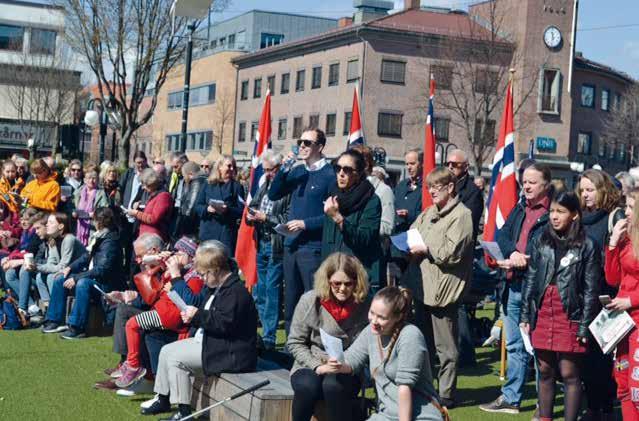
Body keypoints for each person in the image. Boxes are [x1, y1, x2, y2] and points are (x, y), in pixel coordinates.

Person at [141, 241, 258, 420]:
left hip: (231, 351)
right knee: (166, 350)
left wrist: (196, 316)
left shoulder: (236, 292)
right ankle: (163, 398)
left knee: (176, 358)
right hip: (213, 341)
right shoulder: (215, 287)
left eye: (203, 274)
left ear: (216, 270)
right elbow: (204, 311)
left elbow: (224, 323)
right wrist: (193, 315)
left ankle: (184, 412)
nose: (201, 278)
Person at [520, 191, 600, 421]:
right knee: (544, 370)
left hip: (571, 312)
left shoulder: (588, 245)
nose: (554, 216)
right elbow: (532, 279)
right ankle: (545, 418)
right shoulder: (541, 240)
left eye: (561, 212)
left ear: (574, 215)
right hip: (544, 308)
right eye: (552, 211)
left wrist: (584, 326)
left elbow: (590, 290)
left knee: (569, 373)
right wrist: (526, 314)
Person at [480, 163, 553, 414]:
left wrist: (527, 257)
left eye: (532, 181)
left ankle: (543, 404)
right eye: (524, 181)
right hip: (512, 284)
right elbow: (501, 235)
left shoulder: (553, 212)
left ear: (546, 185)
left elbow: (552, 248)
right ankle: (512, 397)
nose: (526, 186)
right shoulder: (520, 206)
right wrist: (512, 252)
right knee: (513, 345)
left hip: (537, 289)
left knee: (538, 349)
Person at [317, 286, 445, 421]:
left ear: (398, 317)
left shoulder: (410, 335)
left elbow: (404, 388)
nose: (374, 320)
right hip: (385, 415)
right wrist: (335, 364)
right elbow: (351, 360)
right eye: (372, 313)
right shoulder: (370, 332)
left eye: (381, 317)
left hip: (420, 416)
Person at [405, 167, 474, 407]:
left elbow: (451, 253)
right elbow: (412, 232)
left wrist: (425, 248)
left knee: (446, 348)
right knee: (423, 343)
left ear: (450, 187)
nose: (431, 191)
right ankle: (426, 388)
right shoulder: (428, 212)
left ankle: (446, 394)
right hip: (423, 286)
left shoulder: (462, 215)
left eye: (436, 186)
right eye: (429, 186)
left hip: (445, 290)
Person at [287, 253, 370, 421]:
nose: (342, 289)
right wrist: (317, 366)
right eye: (336, 283)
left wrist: (344, 363)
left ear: (357, 282)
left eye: (348, 284)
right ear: (327, 281)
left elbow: (366, 345)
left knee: (333, 386)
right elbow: (295, 342)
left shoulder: (365, 306)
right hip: (312, 360)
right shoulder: (310, 301)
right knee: (307, 386)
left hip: (348, 364)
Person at [268, 127, 336, 333]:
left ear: (320, 147)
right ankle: (291, 347)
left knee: (312, 298)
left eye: (308, 143)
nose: (302, 146)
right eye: (300, 142)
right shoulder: (298, 172)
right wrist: (285, 168)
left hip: (312, 247)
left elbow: (332, 215)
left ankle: (311, 345)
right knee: (291, 300)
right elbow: (273, 194)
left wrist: (306, 224)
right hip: (292, 244)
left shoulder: (329, 175)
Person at [115, 237, 202, 389]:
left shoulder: (194, 277)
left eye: (180, 253)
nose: (175, 256)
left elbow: (189, 303)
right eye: (175, 252)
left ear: (191, 256)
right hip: (162, 312)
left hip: (168, 316)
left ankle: (133, 365)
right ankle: (136, 367)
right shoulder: (178, 270)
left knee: (132, 325)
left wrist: (173, 285)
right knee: (135, 325)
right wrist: (159, 258)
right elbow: (146, 260)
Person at [576, 169, 624, 420]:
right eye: (582, 190)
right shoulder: (580, 219)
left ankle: (600, 407)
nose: (585, 195)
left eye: (590, 190)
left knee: (600, 358)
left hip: (605, 294)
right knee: (584, 357)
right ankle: (596, 405)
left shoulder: (613, 217)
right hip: (581, 294)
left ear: (603, 190)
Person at [42, 208, 123, 339]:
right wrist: (69, 268)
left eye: (94, 219)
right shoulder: (99, 237)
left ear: (99, 222)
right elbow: (86, 257)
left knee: (83, 283)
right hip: (96, 279)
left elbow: (101, 270)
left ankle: (77, 327)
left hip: (106, 285)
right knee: (60, 279)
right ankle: (55, 320)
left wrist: (77, 277)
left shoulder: (110, 242)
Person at [245, 150, 290, 350]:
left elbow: (287, 220)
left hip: (276, 244)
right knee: (261, 289)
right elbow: (252, 206)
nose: (267, 173)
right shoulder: (265, 185)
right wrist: (250, 216)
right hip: (261, 242)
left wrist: (266, 219)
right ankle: (264, 331)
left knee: (271, 290)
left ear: (279, 169)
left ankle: (270, 337)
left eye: (270, 170)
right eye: (265, 170)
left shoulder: (287, 190)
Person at [322, 149, 383, 292]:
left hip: (357, 276)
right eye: (337, 168)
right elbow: (327, 241)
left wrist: (337, 217)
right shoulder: (333, 196)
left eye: (347, 170)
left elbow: (364, 239)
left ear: (359, 173)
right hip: (332, 274)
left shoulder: (371, 200)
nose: (341, 173)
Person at [604, 188, 639, 420]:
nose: (625, 212)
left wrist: (631, 300)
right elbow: (612, 278)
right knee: (623, 383)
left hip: (637, 320)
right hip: (622, 323)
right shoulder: (626, 239)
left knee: (636, 387)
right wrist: (613, 243)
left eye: (630, 206)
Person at [30, 213, 86, 312]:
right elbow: (51, 263)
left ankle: (58, 311)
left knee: (52, 277)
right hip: (64, 272)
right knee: (40, 276)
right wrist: (36, 266)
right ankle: (48, 308)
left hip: (78, 273)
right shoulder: (52, 240)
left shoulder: (69, 239)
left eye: (51, 223)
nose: (47, 225)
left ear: (61, 226)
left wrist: (37, 267)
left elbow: (62, 266)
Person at [194, 155, 244, 253]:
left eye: (233, 166)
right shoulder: (208, 184)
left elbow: (241, 210)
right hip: (208, 231)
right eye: (229, 166)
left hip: (225, 233)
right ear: (220, 166)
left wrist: (227, 209)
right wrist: (207, 209)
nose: (232, 169)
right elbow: (198, 206)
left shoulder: (237, 187)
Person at [119, 151, 149, 274]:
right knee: (124, 242)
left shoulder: (148, 175)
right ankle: (123, 269)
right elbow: (121, 188)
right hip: (126, 213)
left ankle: (131, 271)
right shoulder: (129, 173)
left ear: (146, 161)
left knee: (134, 245)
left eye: (142, 162)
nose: (140, 165)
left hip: (138, 214)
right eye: (137, 163)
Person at [125, 168, 173, 242]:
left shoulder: (163, 196)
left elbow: (153, 218)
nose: (143, 187)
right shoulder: (154, 195)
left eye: (144, 184)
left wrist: (136, 213)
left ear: (151, 183)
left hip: (153, 238)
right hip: (146, 237)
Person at [73, 169, 109, 246]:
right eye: (89, 178)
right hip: (77, 226)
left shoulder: (101, 193)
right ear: (84, 180)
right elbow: (71, 207)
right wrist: (73, 213)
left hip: (93, 226)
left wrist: (95, 214)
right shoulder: (77, 192)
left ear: (97, 180)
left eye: (94, 178)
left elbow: (105, 210)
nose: (91, 180)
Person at [393, 149, 423, 234]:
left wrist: (409, 215)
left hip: (415, 237)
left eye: (412, 163)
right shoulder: (401, 185)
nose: (409, 167)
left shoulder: (427, 188)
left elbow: (430, 215)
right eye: (407, 164)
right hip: (396, 237)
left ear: (421, 164)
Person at [176, 161, 206, 238]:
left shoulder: (197, 183)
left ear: (190, 174)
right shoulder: (204, 181)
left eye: (184, 175)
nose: (184, 178)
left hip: (192, 227)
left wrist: (184, 225)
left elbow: (191, 206)